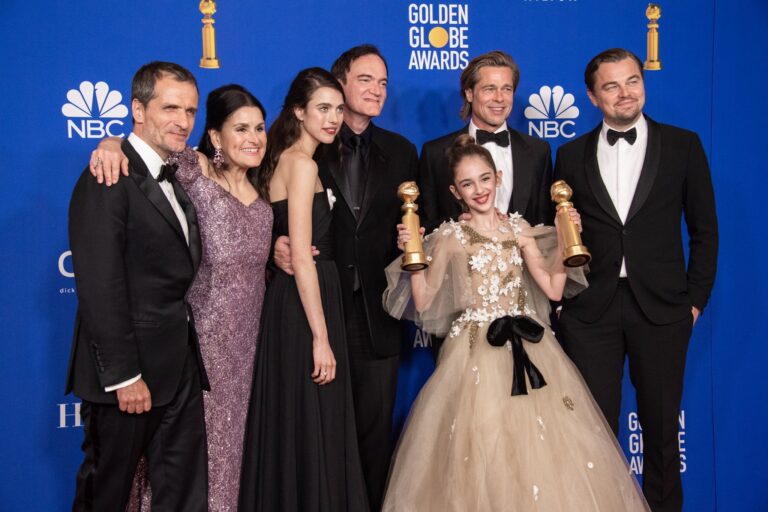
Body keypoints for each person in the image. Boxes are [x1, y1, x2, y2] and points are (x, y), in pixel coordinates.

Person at [380, 134, 650, 511]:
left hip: (532, 346)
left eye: (484, 179)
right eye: (468, 184)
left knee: (540, 449)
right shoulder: (450, 238)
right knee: (481, 448)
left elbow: (553, 289)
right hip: (473, 352)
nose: (479, 190)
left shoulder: (519, 230)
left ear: (499, 177)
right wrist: (412, 254)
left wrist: (567, 240)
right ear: (455, 192)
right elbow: (423, 302)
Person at [89, 84, 273, 511]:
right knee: (181, 462)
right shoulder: (194, 173)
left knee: (234, 451)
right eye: (241, 128)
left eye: (260, 128)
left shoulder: (266, 197)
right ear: (215, 136)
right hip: (197, 347)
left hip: (248, 352)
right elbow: (145, 152)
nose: (253, 138)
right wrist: (110, 143)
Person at [553, 48, 718, 512]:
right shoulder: (569, 155)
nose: (625, 93)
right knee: (595, 434)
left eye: (632, 81)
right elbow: (557, 232)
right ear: (592, 96)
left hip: (663, 311)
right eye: (611, 85)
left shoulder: (683, 145)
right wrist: (564, 304)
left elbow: (705, 231)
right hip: (591, 312)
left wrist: (693, 303)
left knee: (662, 432)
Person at [274, 44, 418, 511]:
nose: (377, 90)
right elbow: (248, 202)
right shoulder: (308, 147)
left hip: (379, 316)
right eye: (365, 80)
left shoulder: (403, 152)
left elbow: (426, 226)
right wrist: (273, 247)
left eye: (383, 82)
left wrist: (415, 240)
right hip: (319, 310)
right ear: (339, 84)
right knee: (321, 436)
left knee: (375, 442)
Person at [66, 61, 208, 511]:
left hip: (178, 368)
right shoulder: (108, 176)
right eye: (171, 108)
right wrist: (125, 377)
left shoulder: (175, 172)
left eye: (190, 110)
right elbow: (100, 286)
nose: (183, 121)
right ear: (138, 110)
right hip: (129, 378)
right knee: (105, 497)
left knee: (183, 496)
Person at [238, 67, 369, 511]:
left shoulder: (283, 159)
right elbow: (301, 257)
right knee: (314, 420)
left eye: (338, 109)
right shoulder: (302, 164)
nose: (333, 118)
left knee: (300, 421)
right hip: (305, 304)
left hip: (295, 300)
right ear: (298, 111)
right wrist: (321, 337)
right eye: (322, 109)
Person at [419, 50, 552, 233]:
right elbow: (425, 226)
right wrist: (456, 223)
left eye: (507, 89)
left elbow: (545, 224)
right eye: (489, 89)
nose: (499, 98)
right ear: (469, 94)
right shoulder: (435, 153)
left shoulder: (539, 151)